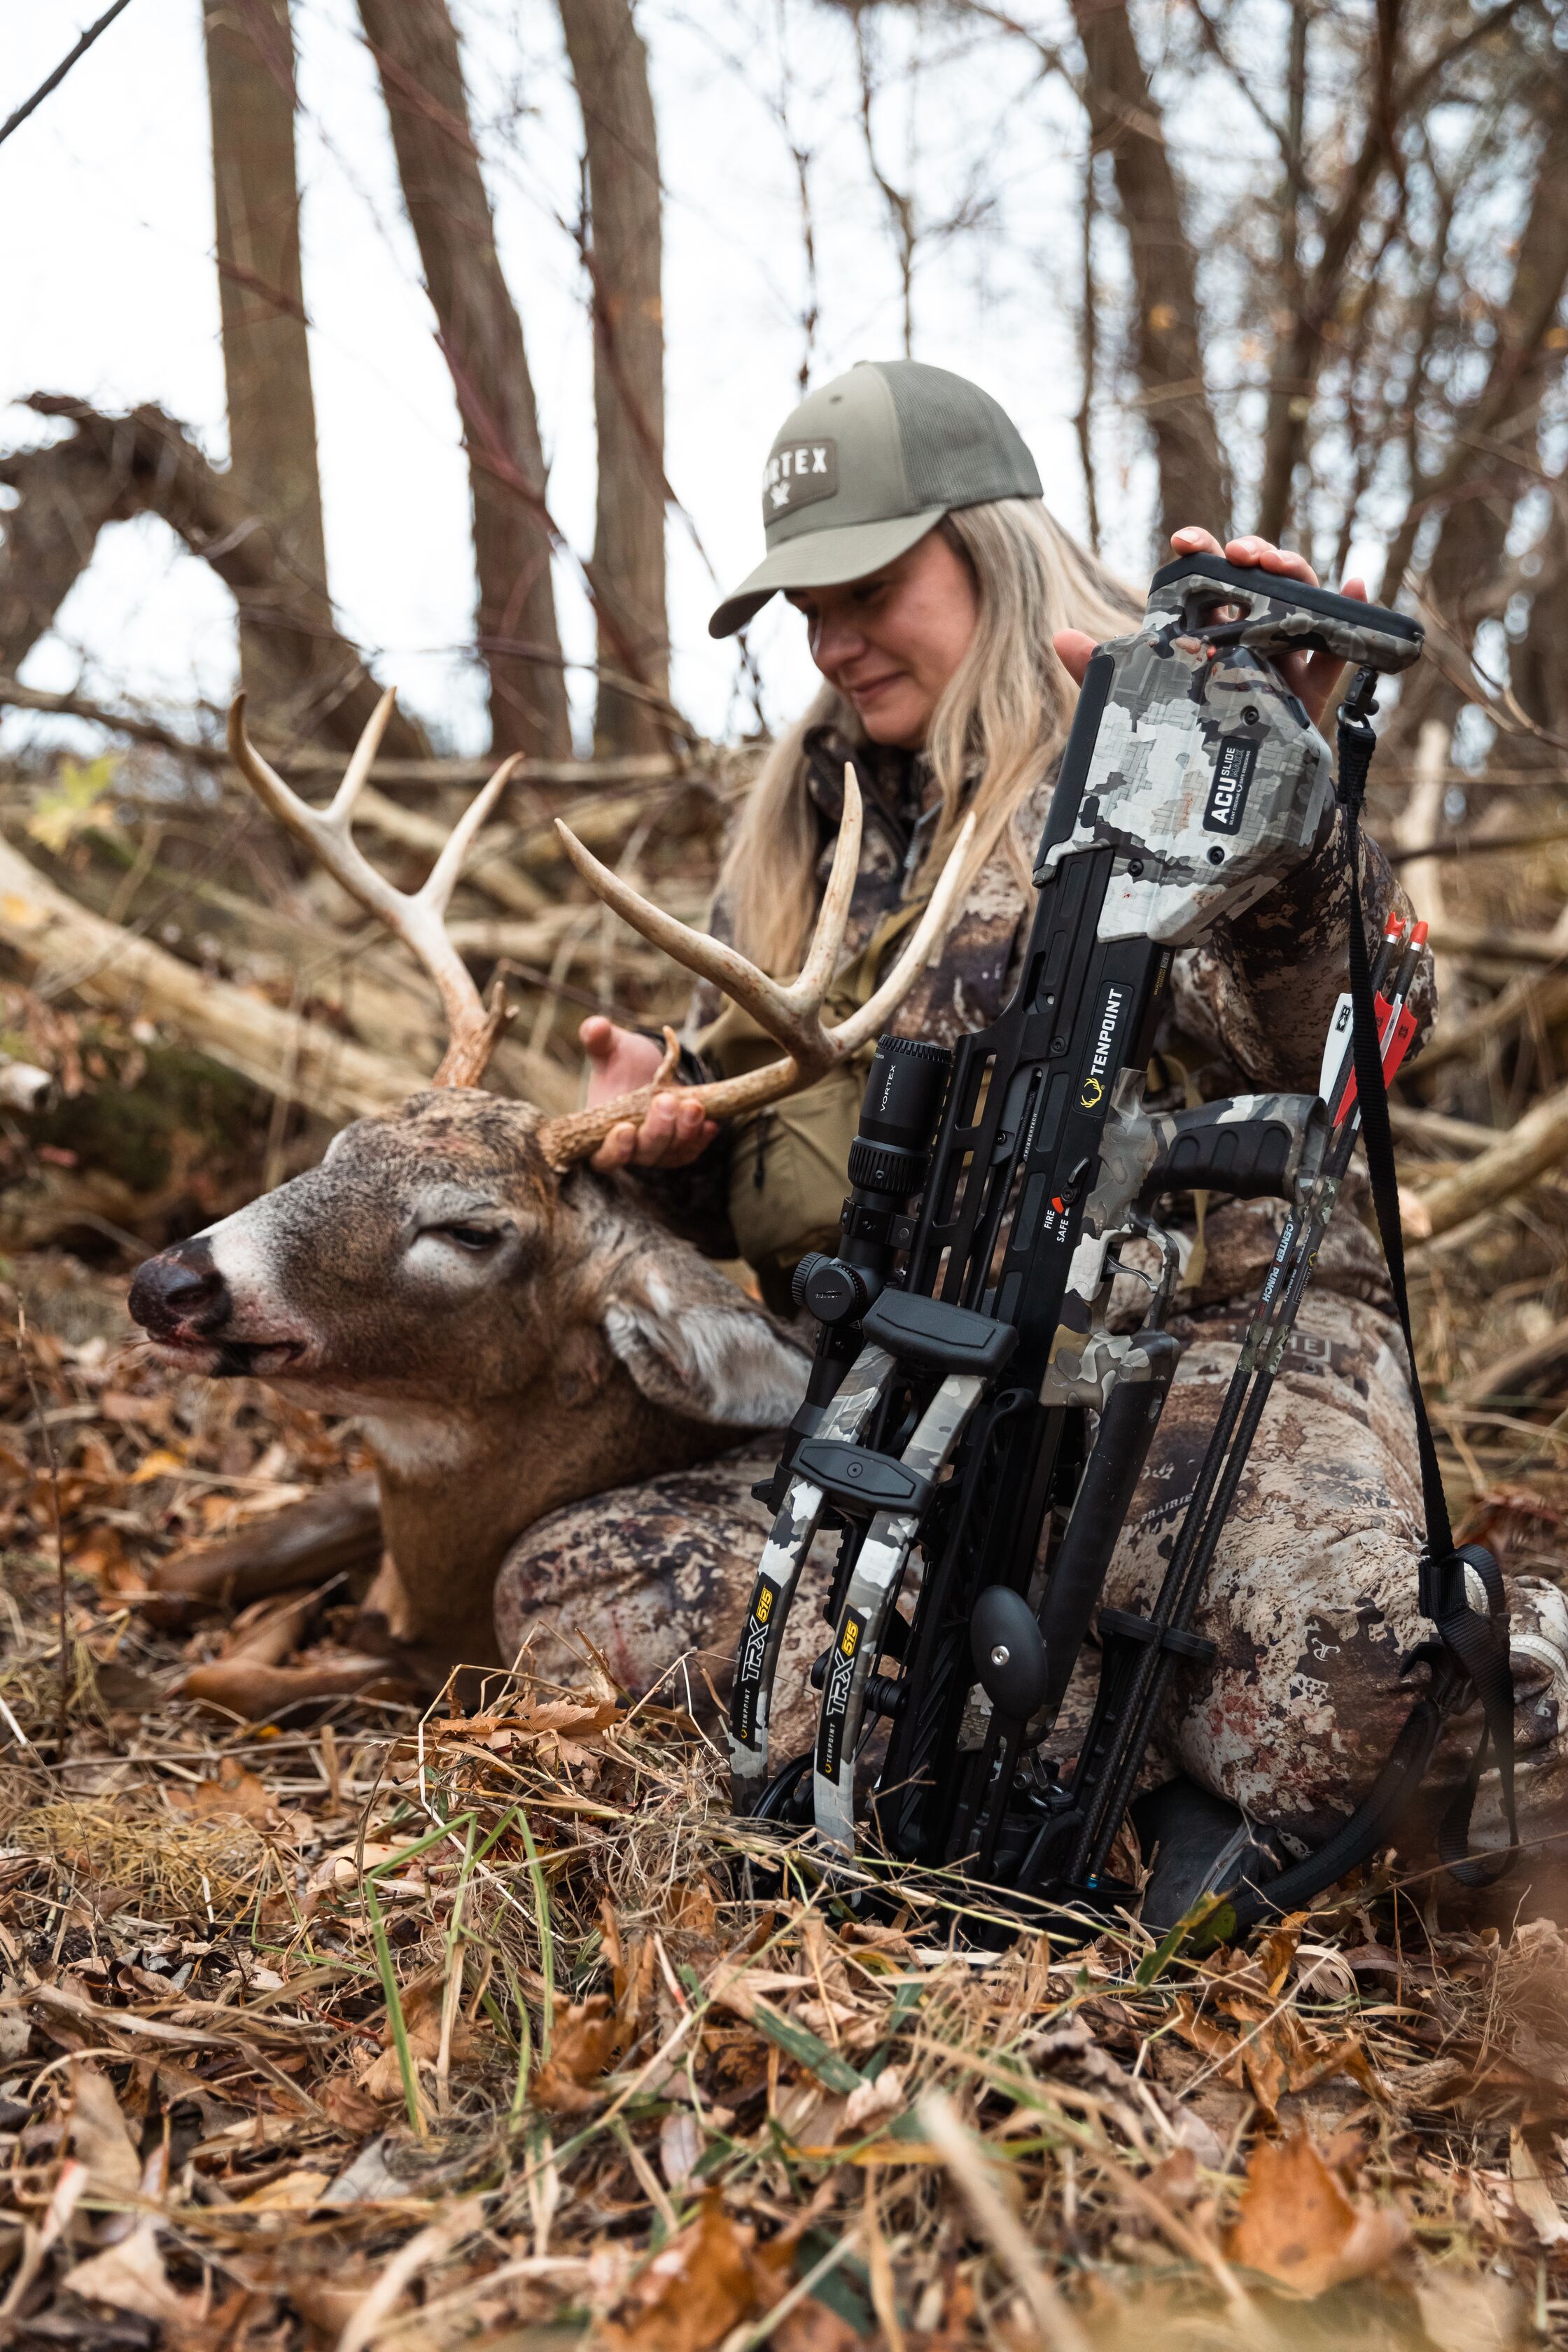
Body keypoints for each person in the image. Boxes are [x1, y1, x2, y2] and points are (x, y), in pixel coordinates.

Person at [495, 360, 1567, 1905]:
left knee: (1377, 1722)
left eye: (867, 585)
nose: (831, 640)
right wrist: (669, 1133)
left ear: (987, 552)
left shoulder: (1159, 735)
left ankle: (1187, 1723)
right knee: (579, 1591)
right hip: (915, 1396)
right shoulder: (810, 815)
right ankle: (1133, 1736)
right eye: (803, 606)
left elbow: (1354, 1043)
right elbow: (791, 1178)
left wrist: (1286, 806)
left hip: (1192, 1361)